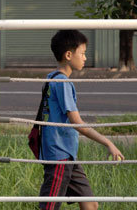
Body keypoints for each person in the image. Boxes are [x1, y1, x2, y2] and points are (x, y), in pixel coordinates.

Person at [39, 30, 124, 210]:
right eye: (83, 53)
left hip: (68, 155)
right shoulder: (62, 83)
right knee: (49, 207)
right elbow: (77, 122)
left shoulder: (51, 77)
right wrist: (107, 142)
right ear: (68, 55)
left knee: (91, 204)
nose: (85, 58)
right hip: (59, 156)